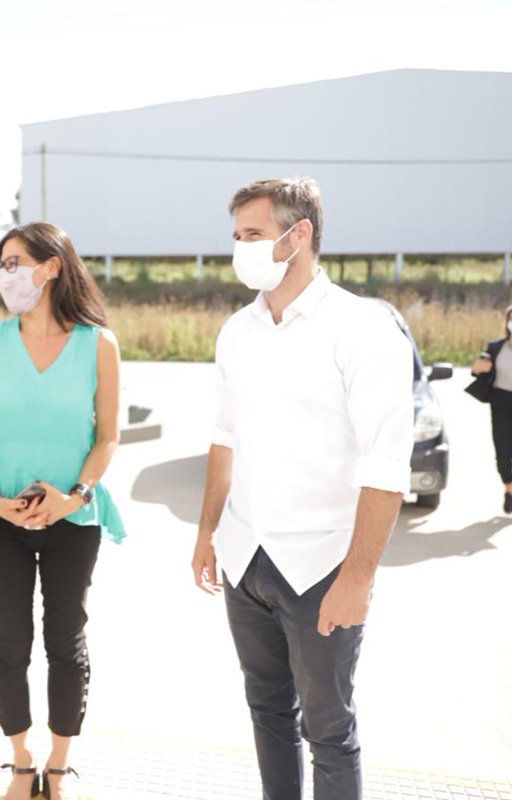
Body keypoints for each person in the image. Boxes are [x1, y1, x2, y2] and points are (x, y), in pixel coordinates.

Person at [191, 177, 412, 800]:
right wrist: (208, 533)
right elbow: (224, 438)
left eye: (254, 234)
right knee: (267, 713)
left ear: (300, 235)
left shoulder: (362, 328)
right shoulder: (237, 331)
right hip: (245, 560)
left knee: (329, 731)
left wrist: (357, 579)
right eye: (237, 236)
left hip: (321, 568)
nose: (241, 248)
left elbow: (385, 467)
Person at [0, 222, 125, 800]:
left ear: (51, 267)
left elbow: (108, 437)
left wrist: (74, 497)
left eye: (15, 262)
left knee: (65, 641)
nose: (5, 274)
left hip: (72, 519)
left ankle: (58, 767)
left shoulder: (99, 345)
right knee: (8, 641)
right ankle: (21, 761)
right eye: (1, 264)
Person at [466, 307, 512, 512]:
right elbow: (478, 370)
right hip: (500, 403)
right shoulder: (496, 347)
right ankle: (509, 489)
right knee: (503, 451)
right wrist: (478, 367)